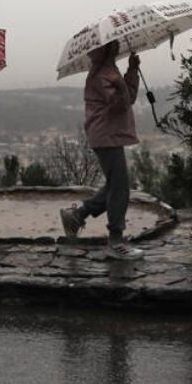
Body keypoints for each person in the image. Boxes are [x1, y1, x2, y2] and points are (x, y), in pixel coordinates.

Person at [59, 40, 145, 260]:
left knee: (116, 184)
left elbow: (129, 98)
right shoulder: (101, 75)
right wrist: (120, 84)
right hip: (105, 134)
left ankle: (77, 215)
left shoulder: (109, 70)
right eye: (113, 45)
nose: (118, 47)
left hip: (109, 133)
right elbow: (120, 105)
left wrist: (132, 71)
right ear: (105, 49)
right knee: (120, 187)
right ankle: (115, 240)